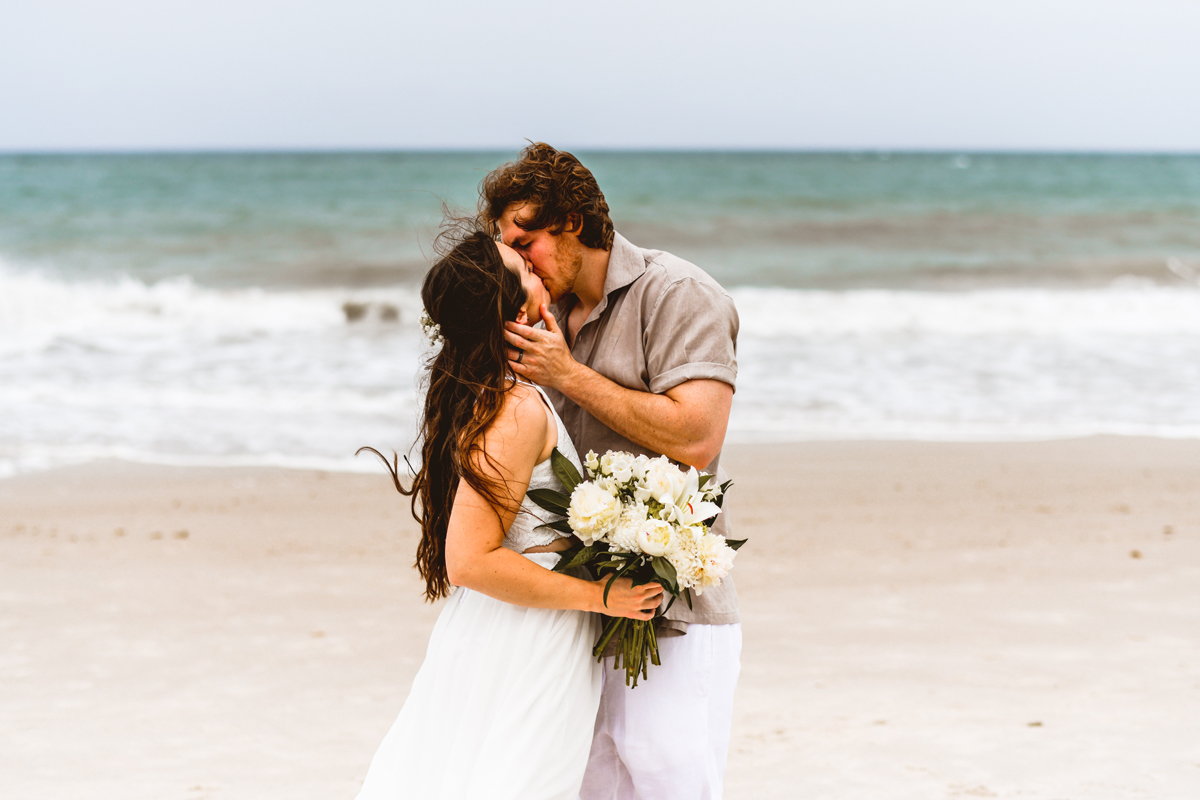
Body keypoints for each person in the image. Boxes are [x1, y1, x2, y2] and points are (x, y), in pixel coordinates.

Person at [353, 227, 664, 800]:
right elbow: (467, 560)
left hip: (511, 624)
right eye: (520, 267)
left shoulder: (502, 389)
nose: (531, 262)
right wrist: (603, 597)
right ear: (513, 307)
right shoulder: (514, 408)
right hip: (528, 636)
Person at [481, 143, 742, 800]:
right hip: (574, 608)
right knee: (584, 782)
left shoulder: (677, 294)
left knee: (669, 774)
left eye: (525, 241)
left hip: (673, 600)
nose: (518, 261)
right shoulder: (538, 311)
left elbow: (700, 436)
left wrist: (567, 374)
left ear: (571, 221)